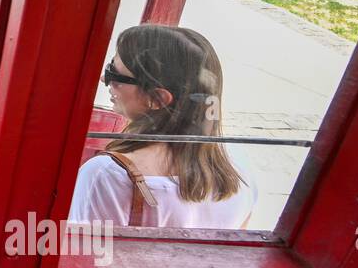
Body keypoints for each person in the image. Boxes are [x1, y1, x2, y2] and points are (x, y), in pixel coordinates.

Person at [69, 25, 256, 228]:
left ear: (157, 98)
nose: (105, 79)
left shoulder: (107, 175)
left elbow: (82, 256)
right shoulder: (238, 164)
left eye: (114, 74)